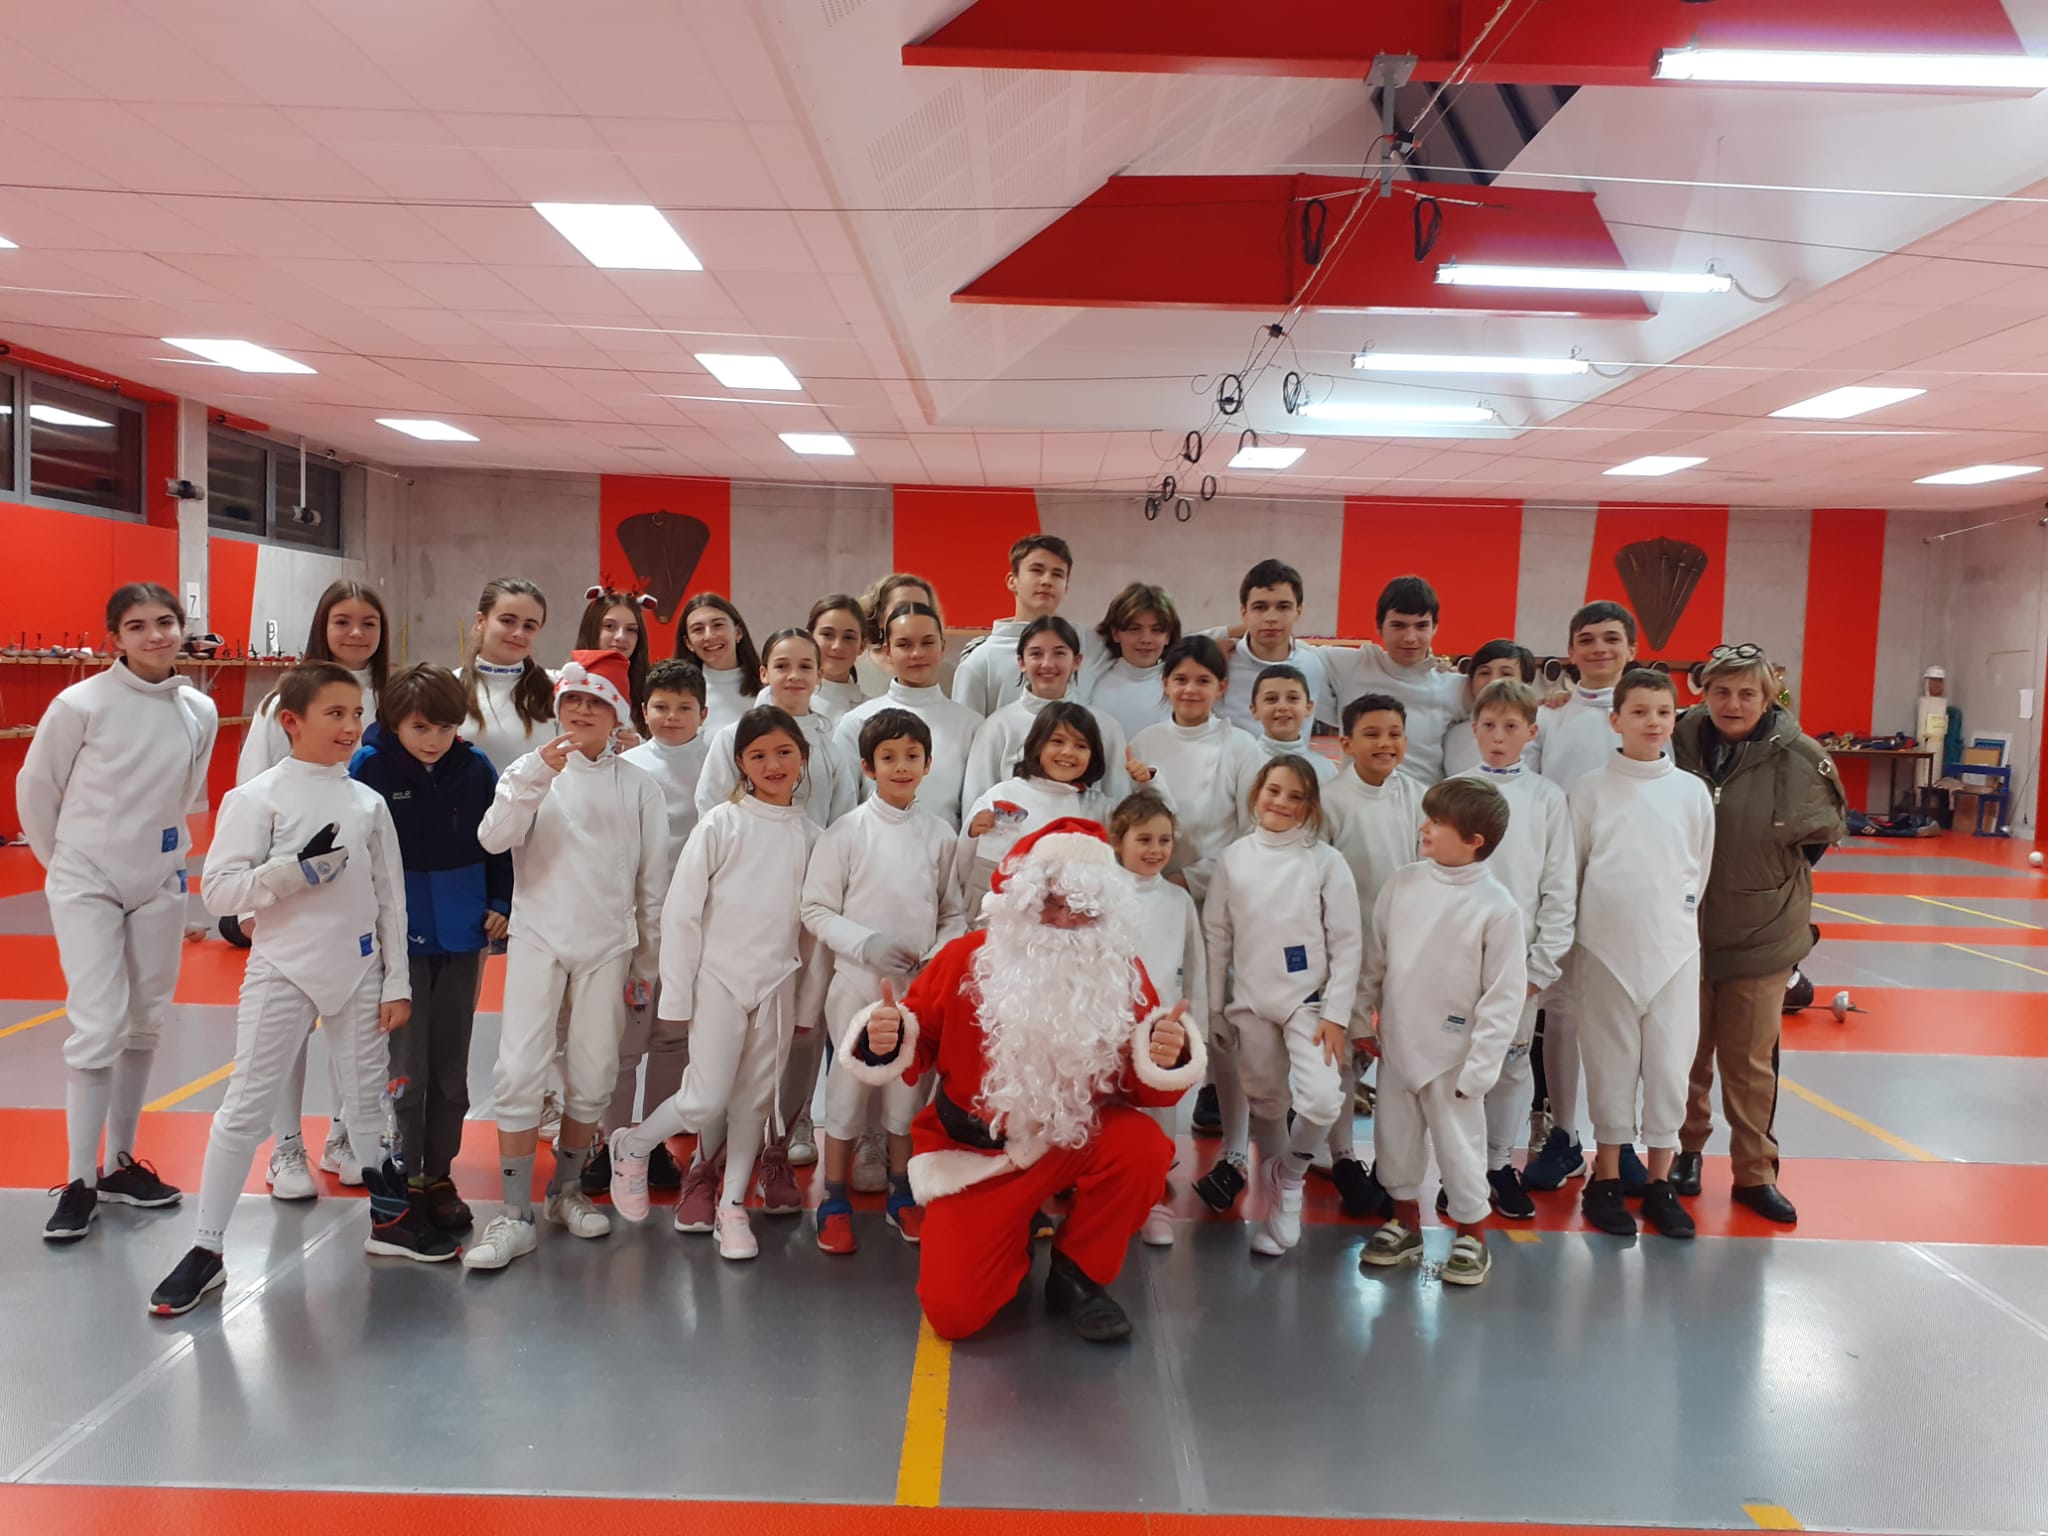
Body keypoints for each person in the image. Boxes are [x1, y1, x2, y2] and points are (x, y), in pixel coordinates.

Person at [835, 818, 1206, 1343]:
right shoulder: (964, 959)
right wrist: (884, 1037)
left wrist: (1165, 1055)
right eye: (1052, 901)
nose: (1067, 918)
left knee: (1142, 1147)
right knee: (955, 1315)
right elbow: (913, 1044)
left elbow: (1143, 1088)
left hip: (1070, 1139)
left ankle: (1077, 1276)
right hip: (976, 1158)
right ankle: (1010, 1233)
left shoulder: (1119, 972)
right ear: (1023, 900)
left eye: (1084, 904)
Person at [149, 664, 425, 1315]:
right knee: (246, 1107)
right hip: (280, 968)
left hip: (359, 970)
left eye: (356, 714)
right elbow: (220, 893)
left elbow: (391, 899)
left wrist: (398, 980)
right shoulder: (256, 797)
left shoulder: (369, 803)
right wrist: (292, 873)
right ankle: (207, 1249)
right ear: (292, 722)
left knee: (366, 1102)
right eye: (335, 713)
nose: (350, 726)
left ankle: (390, 1222)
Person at [20, 583, 217, 1243]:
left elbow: (182, 795)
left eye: (166, 622)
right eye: (138, 626)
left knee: (143, 1023)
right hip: (86, 880)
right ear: (116, 638)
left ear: (182, 627)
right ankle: (78, 1181)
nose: (155, 635)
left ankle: (120, 1165)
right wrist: (64, 865)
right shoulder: (80, 703)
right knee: (98, 1024)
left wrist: (164, 861)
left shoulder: (198, 709)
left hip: (158, 880)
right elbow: (36, 788)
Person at [464, 650, 667, 1272]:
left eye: (596, 702)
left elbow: (652, 881)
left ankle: (567, 1192)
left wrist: (647, 964)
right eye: (573, 699)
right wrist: (534, 777)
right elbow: (492, 838)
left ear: (616, 713)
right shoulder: (530, 770)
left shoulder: (639, 785)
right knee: (519, 1069)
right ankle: (513, 1213)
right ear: (558, 705)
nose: (582, 711)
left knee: (595, 1068)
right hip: (538, 937)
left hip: (608, 943)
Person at [610, 706, 824, 1261]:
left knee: (752, 1102)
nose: (773, 764)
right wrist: (678, 996)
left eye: (784, 752)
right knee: (705, 1098)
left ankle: (732, 1206)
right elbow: (681, 913)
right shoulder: (721, 825)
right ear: (740, 764)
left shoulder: (811, 835)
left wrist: (805, 1004)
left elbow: (812, 930)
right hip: (718, 980)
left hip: (776, 984)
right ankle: (633, 1145)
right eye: (759, 755)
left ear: (802, 757)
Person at [1672, 644, 1846, 1226]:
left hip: (1763, 935)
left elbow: (1816, 840)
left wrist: (1761, 886)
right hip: (1683, 934)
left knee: (1749, 1065)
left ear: (1769, 696)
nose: (1733, 703)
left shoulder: (1802, 758)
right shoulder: (1675, 741)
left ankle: (1755, 1172)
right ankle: (1685, 1154)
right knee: (1685, 1057)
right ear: (1704, 693)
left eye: (1747, 693)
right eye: (1721, 691)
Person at [231, 579, 390, 1191]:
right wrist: (253, 897)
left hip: (360, 890)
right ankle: (287, 1148)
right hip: (290, 892)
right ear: (322, 625)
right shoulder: (283, 701)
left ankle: (346, 1135)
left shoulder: (390, 696)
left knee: (359, 1022)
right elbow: (251, 789)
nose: (356, 633)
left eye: (368, 623)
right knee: (286, 1028)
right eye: (342, 620)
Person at [348, 663, 511, 1236]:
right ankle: (405, 1174)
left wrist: (500, 902)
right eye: (420, 727)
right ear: (394, 722)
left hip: (463, 937)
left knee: (450, 1069)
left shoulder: (476, 767)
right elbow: (359, 854)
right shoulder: (368, 768)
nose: (434, 739)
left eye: (445, 727)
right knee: (407, 1069)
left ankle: (439, 1174)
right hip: (399, 945)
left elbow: (498, 844)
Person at [803, 709, 966, 1254]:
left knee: (906, 1096)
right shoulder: (846, 832)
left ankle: (902, 1194)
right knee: (847, 1094)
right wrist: (866, 943)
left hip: (916, 992)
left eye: (912, 756)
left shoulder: (939, 834)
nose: (901, 767)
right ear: (868, 766)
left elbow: (953, 912)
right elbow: (816, 908)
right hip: (855, 985)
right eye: (889, 757)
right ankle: (833, 1200)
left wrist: (936, 957)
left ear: (928, 764)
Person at [1355, 777, 1525, 1287]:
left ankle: (1472, 1234)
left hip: (1455, 1056)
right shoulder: (1402, 884)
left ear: (1474, 840)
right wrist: (1363, 1018)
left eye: (1437, 823)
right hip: (1398, 1045)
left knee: (1460, 1148)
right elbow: (1375, 960)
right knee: (1395, 1141)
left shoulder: (1497, 907)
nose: (1424, 828)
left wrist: (1481, 1067)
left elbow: (1504, 996)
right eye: (1427, 818)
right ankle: (1404, 1223)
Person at [1569, 669, 1715, 1240]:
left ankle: (1659, 1184)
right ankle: (1605, 1179)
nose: (1652, 721)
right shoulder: (1590, 789)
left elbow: (1697, 870)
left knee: (1669, 1070)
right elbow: (1574, 868)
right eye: (1639, 711)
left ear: (1674, 719)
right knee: (1609, 1065)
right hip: (1605, 948)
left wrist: (1673, 923)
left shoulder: (1692, 792)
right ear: (1616, 720)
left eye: (1663, 711)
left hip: (1673, 951)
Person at [1200, 757, 1363, 1257]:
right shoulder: (1234, 858)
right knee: (1266, 1102)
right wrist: (1214, 1009)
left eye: (1295, 796)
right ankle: (1278, 1209)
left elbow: (1347, 942)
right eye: (1274, 791)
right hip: (1251, 1003)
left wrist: (1336, 1014)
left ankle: (1288, 1174)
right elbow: (1216, 936)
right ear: (1257, 793)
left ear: (1310, 806)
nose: (1282, 803)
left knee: (1322, 1100)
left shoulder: (1325, 862)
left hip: (1308, 1004)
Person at [1522, 599, 1638, 1194]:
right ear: (1570, 651)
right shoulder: (1551, 717)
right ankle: (1563, 1135)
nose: (1599, 649)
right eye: (1587, 639)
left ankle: (1620, 1139)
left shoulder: (1649, 715)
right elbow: (1531, 793)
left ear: (1631, 649)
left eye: (1611, 638)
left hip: (1626, 887)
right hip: (1562, 881)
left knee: (1621, 1016)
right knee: (1561, 1013)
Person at [1452, 679, 1575, 1220]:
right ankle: (1460, 1167)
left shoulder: (1547, 798)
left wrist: (1540, 966)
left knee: (1510, 1068)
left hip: (1519, 965)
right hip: (1458, 963)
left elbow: (1559, 886)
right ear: (1474, 729)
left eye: (1510, 727)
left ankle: (1499, 1165)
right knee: (1458, 1066)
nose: (1499, 737)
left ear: (1531, 732)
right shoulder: (1452, 793)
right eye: (1489, 726)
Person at [585, 660, 708, 1194]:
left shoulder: (717, 766)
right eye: (661, 706)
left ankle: (653, 1144)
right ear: (642, 710)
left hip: (697, 925)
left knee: (672, 1040)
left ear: (704, 713)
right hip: (633, 926)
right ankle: (611, 1142)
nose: (672, 716)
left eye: (684, 707)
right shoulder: (625, 766)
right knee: (623, 1041)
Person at [1310, 692, 1423, 1217]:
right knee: (1343, 1057)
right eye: (1372, 734)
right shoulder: (1329, 802)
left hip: (1405, 948)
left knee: (1400, 1056)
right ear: (1346, 743)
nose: (1385, 743)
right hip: (1345, 950)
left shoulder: (1419, 796)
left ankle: (1393, 1164)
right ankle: (1342, 1157)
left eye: (1394, 734)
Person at [1109, 790, 1206, 1248]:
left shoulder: (1177, 900)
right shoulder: (1102, 894)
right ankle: (1104, 1196)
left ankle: (1152, 1202)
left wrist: (1196, 1028)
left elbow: (1196, 965)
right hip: (1107, 1024)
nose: (1155, 850)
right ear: (1118, 841)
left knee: (1157, 1114)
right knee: (1107, 1111)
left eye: (1164, 840)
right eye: (1143, 839)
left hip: (1160, 1031)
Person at [960, 702, 1156, 909]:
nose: (1068, 752)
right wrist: (972, 832)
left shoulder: (1101, 809)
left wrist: (1146, 785)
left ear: (1093, 756)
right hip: (1002, 916)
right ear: (1037, 746)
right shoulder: (1001, 795)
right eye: (1057, 741)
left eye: (1081, 746)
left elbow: (1154, 827)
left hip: (1071, 919)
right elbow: (963, 864)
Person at [1127, 635, 1263, 903]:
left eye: (1203, 681)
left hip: (1220, 890)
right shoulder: (1143, 742)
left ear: (1221, 687)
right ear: (1165, 683)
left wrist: (1189, 880)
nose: (1190, 690)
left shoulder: (1242, 746)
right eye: (1180, 679)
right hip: (1151, 887)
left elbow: (1252, 833)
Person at [834, 602, 982, 829]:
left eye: (927, 643)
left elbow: (974, 814)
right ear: (888, 651)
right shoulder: (857, 721)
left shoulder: (971, 725)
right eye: (904, 644)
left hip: (946, 848)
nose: (917, 654)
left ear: (942, 647)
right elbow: (842, 811)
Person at [964, 616, 1133, 810]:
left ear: (1077, 661)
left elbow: (1120, 805)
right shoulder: (997, 727)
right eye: (1036, 654)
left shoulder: (1105, 727)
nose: (1047, 664)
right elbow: (976, 806)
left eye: (1059, 653)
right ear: (1021, 662)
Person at [698, 627, 859, 828]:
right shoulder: (731, 738)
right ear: (764, 673)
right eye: (782, 666)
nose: (794, 675)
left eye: (805, 667)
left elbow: (843, 824)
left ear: (819, 675)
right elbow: (711, 808)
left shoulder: (831, 752)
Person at [1317, 576, 1468, 785]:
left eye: (1421, 626)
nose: (1410, 638)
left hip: (1425, 802)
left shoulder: (1456, 688)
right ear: (1379, 627)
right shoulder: (1351, 666)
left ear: (1435, 627)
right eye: (1398, 625)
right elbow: (1288, 654)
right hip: (1359, 800)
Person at [951, 535, 1097, 716]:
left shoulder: (1087, 650)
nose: (1047, 581)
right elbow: (964, 729)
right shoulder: (981, 660)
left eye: (1057, 574)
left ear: (1066, 588)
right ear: (1012, 581)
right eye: (1037, 570)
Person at [1213, 560, 1336, 735]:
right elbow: (1175, 644)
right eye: (1260, 607)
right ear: (1244, 612)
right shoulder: (1219, 663)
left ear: (1298, 611)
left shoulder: (1312, 665)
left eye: (1283, 607)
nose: (1271, 617)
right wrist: (1222, 636)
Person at [459, 577, 554, 773]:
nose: (518, 633)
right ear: (481, 621)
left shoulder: (559, 689)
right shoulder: (448, 687)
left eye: (529, 626)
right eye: (508, 621)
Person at [1082, 582, 1180, 738]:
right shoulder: (1093, 683)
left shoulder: (1179, 687)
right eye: (1134, 629)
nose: (1146, 639)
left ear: (1167, 636)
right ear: (1115, 633)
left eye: (1156, 630)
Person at [1442, 640, 1537, 780]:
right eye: (1484, 673)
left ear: (1526, 684)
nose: (1493, 680)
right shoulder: (1452, 734)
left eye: (1506, 673)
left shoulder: (1539, 730)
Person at [675, 592, 763, 731]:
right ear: (688, 643)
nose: (709, 636)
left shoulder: (767, 688)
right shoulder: (677, 692)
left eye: (718, 625)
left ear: (738, 632)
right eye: (698, 629)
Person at [576, 585, 656, 736]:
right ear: (591, 628)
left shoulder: (652, 688)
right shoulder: (568, 682)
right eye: (609, 626)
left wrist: (640, 745)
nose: (621, 637)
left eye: (631, 629)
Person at [855, 572, 943, 699]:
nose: (912, 615)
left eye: (921, 608)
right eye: (902, 608)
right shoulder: (854, 669)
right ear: (880, 617)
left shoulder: (948, 674)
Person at [1248, 664, 1338, 784]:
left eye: (1293, 698)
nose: (1282, 707)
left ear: (1308, 707)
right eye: (1271, 699)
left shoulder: (1325, 769)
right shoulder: (1242, 764)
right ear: (1254, 710)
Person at [807, 593, 870, 722]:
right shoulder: (779, 698)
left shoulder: (871, 711)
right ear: (809, 638)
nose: (837, 646)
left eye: (848, 637)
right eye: (827, 634)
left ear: (862, 646)